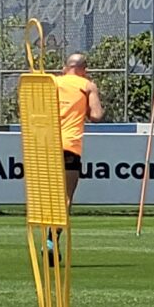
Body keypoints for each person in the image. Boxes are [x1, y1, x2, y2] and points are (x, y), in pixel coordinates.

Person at [54, 52, 103, 204]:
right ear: (84, 70)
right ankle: (58, 225)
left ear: (65, 68)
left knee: (47, 189)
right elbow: (96, 116)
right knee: (67, 195)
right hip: (70, 144)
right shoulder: (87, 85)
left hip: (47, 143)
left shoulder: (52, 82)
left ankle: (47, 220)